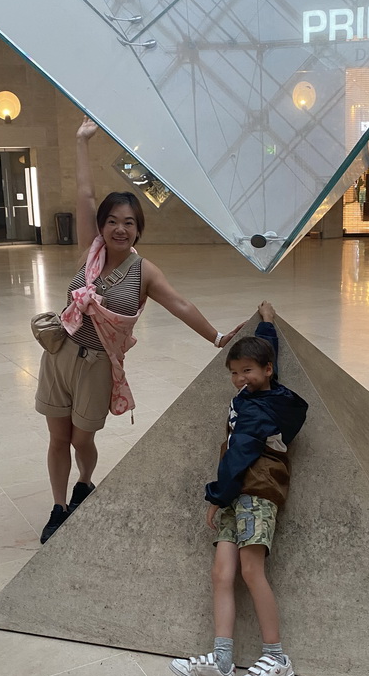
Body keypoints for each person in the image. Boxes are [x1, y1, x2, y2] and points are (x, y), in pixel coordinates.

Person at [37, 116, 243, 543]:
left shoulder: (143, 271)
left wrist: (219, 337)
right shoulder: (87, 253)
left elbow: (180, 303)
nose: (119, 228)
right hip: (58, 354)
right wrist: (80, 141)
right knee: (57, 438)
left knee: (81, 440)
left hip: (97, 366)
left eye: (128, 222)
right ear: (102, 225)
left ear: (138, 229)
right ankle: (58, 507)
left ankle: (84, 482)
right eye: (112, 220)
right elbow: (84, 193)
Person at [169, 302, 308, 676]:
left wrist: (216, 496)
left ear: (267, 372)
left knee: (251, 572)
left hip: (255, 492)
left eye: (246, 371)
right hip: (237, 493)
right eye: (233, 372)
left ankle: (277, 658)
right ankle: (223, 663)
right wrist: (266, 324)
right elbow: (263, 354)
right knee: (221, 573)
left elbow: (239, 455)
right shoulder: (258, 388)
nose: (239, 378)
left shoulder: (259, 411)